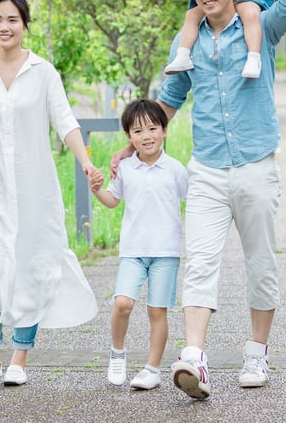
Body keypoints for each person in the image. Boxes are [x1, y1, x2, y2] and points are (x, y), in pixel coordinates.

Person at [114, 0, 286, 399]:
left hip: (257, 163)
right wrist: (134, 140)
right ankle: (194, 356)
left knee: (260, 262)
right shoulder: (190, 40)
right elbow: (170, 99)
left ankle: (256, 352)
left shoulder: (260, 26)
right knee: (199, 261)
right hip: (208, 168)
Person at [0, 0, 101, 389]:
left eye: (12, 20)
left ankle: (19, 357)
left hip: (36, 191)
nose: (4, 27)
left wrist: (85, 162)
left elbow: (65, 120)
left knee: (31, 270)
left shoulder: (43, 71)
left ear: (24, 25)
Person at [89, 99, 187, 390]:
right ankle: (117, 353)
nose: (147, 136)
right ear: (129, 138)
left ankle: (152, 369)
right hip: (133, 250)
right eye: (138, 131)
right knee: (122, 303)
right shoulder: (126, 168)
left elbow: (195, 201)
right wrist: (96, 189)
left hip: (166, 251)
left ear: (165, 131)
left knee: (157, 311)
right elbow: (112, 201)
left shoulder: (175, 169)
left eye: (153, 128)